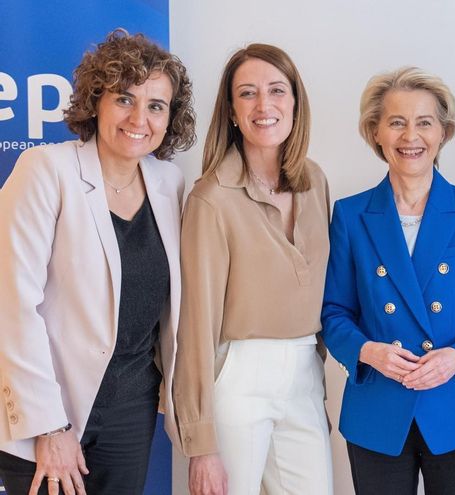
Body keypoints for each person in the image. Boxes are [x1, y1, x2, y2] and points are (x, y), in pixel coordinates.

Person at [0, 29, 195, 494]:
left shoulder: (170, 183)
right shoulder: (46, 170)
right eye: (124, 98)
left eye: (156, 106)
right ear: (96, 101)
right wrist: (49, 426)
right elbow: (11, 305)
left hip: (132, 408)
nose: (138, 118)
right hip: (50, 409)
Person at [321, 66, 455, 495]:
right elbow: (335, 313)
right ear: (376, 132)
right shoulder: (351, 215)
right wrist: (368, 351)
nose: (411, 136)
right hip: (378, 410)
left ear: (443, 133)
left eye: (424, 122)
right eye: (397, 122)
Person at [172, 44, 332, 495]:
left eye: (277, 91)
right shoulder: (211, 198)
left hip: (304, 372)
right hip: (237, 378)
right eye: (248, 93)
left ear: (296, 102)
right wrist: (201, 443)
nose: (265, 106)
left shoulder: (315, 181)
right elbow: (196, 326)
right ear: (231, 110)